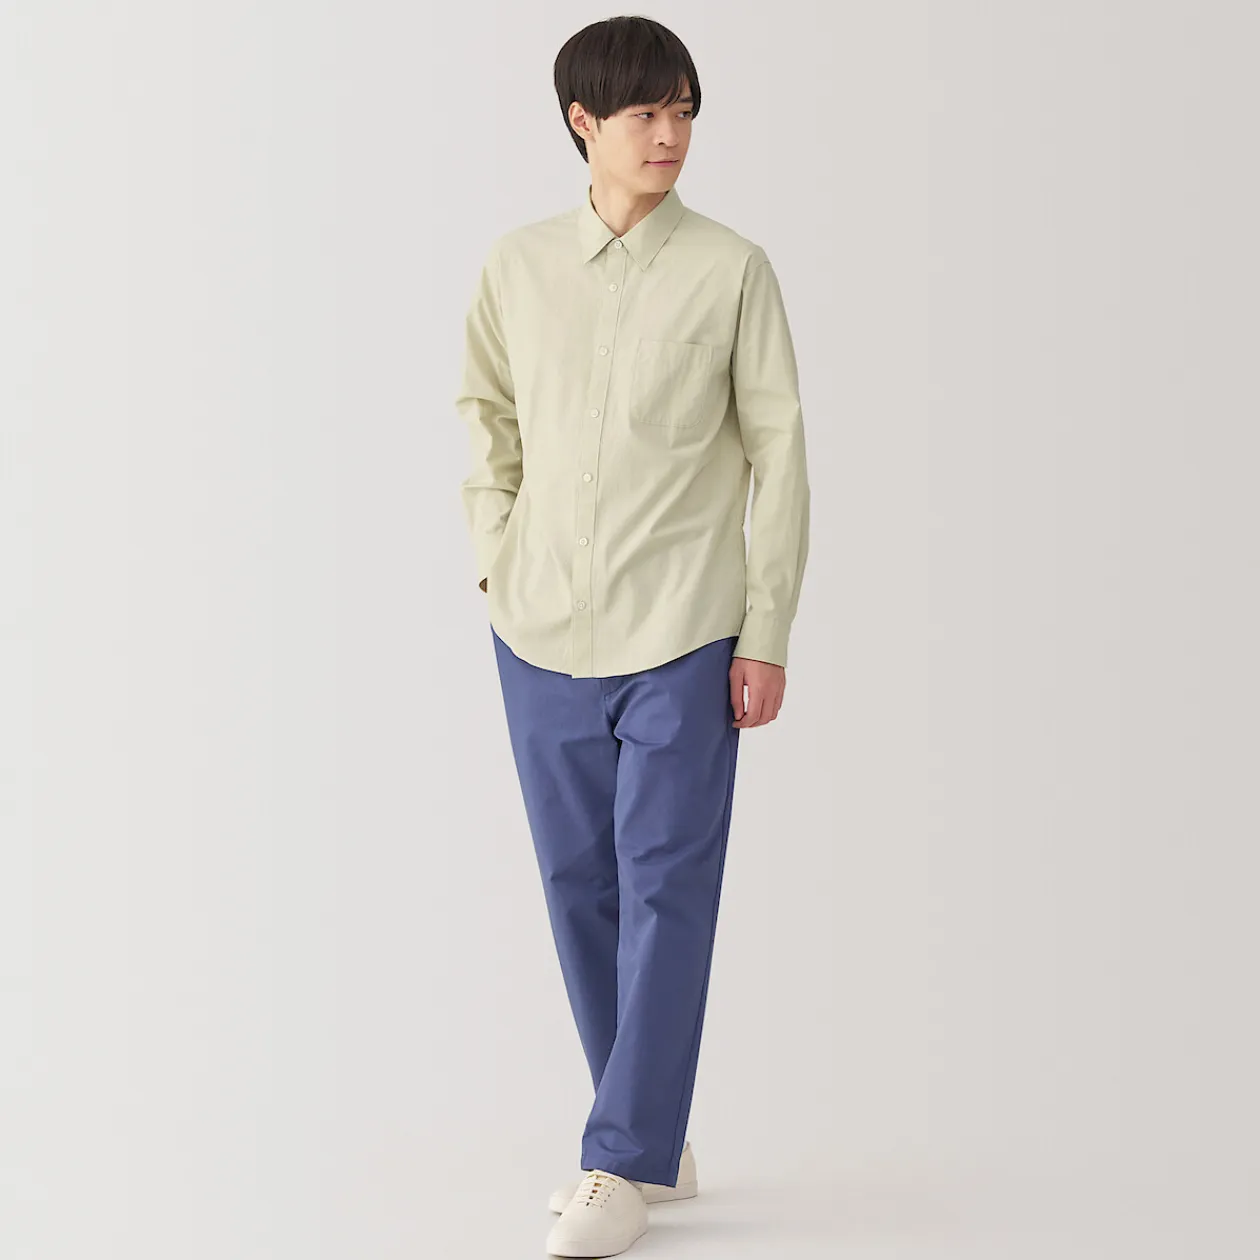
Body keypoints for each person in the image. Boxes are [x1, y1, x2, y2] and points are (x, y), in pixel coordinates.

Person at [454, 16, 810, 1257]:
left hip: (685, 630)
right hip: (539, 624)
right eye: (646, 113)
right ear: (583, 124)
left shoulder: (733, 270)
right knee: (578, 885)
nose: (670, 135)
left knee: (667, 884)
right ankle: (651, 1131)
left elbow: (780, 457)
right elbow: (484, 410)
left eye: (684, 111)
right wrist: (495, 555)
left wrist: (765, 630)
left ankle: (617, 1157)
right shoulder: (516, 266)